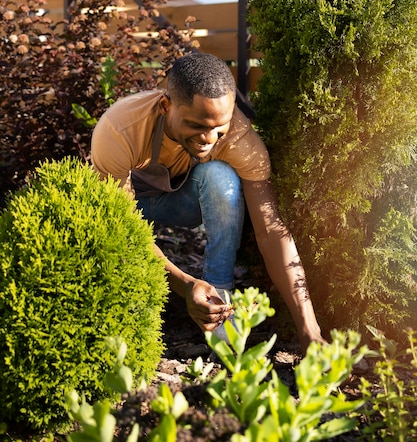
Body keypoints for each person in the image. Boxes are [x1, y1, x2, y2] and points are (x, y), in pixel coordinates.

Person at [91, 52, 324, 354]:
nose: (209, 138)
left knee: (221, 177)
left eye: (219, 127)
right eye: (196, 125)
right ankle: (188, 296)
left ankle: (217, 305)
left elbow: (271, 230)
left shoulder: (239, 140)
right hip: (134, 207)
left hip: (183, 203)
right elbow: (122, 228)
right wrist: (185, 284)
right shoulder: (120, 128)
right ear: (166, 106)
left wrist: (310, 329)